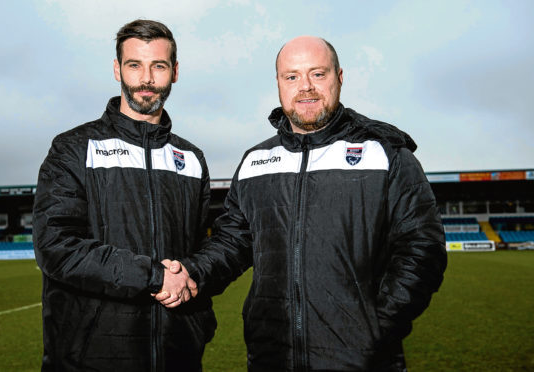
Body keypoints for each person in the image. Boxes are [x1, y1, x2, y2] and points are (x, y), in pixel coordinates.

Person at [162, 36, 448, 371]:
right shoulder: (256, 160)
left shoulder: (385, 153)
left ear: (339, 77)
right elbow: (233, 242)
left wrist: (377, 328)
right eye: (292, 76)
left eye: (318, 74)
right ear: (279, 84)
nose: (306, 87)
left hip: (363, 360)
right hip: (272, 357)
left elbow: (422, 249)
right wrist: (191, 272)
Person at [33, 19, 214, 371]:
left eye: (158, 66)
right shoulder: (74, 148)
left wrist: (195, 307)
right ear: (117, 69)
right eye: (135, 65)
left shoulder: (191, 160)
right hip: (89, 358)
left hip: (178, 355)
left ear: (174, 72)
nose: (146, 79)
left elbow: (199, 250)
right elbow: (56, 246)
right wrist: (154, 276)